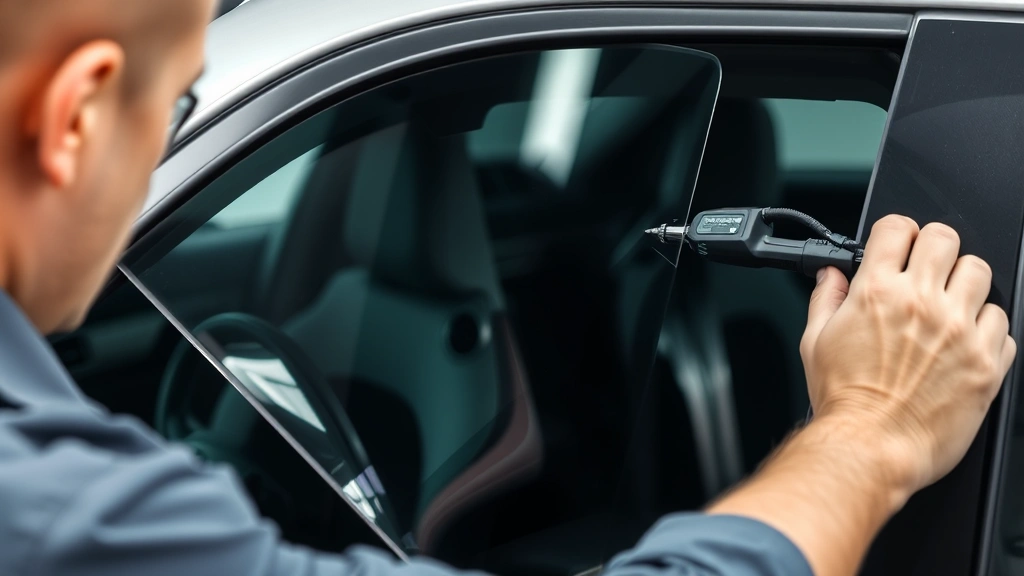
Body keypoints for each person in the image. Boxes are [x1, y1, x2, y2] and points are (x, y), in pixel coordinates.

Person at [0, 1, 1014, 575]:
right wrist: (874, 425)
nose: (165, 139)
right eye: (179, 103)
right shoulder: (56, 513)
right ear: (77, 116)